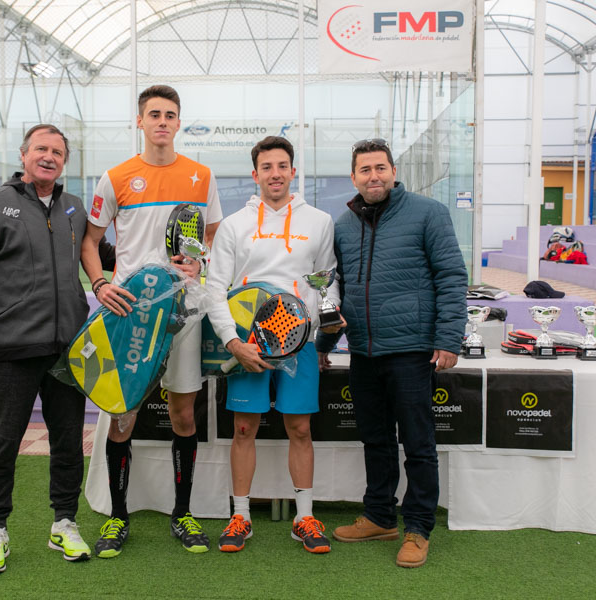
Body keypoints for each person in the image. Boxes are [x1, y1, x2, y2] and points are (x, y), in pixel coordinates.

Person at [80, 84, 222, 557]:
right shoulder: (115, 177)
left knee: (183, 414)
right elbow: (90, 241)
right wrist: (100, 284)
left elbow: (213, 234)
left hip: (183, 311)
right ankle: (118, 517)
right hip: (132, 313)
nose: (162, 121)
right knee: (123, 416)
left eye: (170, 114)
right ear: (139, 121)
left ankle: (183, 514)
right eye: (154, 114)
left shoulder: (202, 176)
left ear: (179, 122)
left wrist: (200, 262)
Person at [320, 138, 467, 568]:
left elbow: (451, 276)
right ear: (353, 177)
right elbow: (333, 291)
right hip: (363, 351)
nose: (374, 176)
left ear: (393, 172)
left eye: (381, 168)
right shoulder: (343, 225)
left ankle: (417, 528)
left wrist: (448, 338)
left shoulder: (428, 213)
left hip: (411, 349)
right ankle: (380, 516)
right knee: (376, 439)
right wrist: (325, 345)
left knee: (417, 443)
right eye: (365, 170)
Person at [0, 125, 93, 575]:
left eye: (57, 152)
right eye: (41, 149)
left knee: (68, 444)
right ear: (23, 155)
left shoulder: (74, 208)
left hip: (67, 351)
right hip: (10, 350)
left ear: (64, 161)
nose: (49, 157)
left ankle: (64, 523)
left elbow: (100, 252)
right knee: (1, 445)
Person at [205, 136, 339, 554]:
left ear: (292, 171)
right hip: (249, 344)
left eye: (282, 166)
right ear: (255, 174)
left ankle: (305, 518)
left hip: (300, 344)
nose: (275, 174)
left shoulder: (319, 221)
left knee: (300, 428)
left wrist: (321, 325)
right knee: (244, 428)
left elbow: (326, 281)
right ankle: (240, 516)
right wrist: (233, 343)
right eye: (267, 167)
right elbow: (215, 289)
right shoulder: (233, 225)